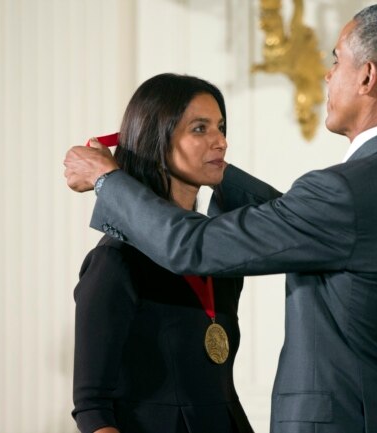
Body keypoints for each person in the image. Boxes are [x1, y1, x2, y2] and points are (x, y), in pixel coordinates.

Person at [64, 4, 377, 433]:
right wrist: (211, 170)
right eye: (199, 130)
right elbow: (306, 224)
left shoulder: (344, 194)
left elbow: (192, 247)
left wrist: (106, 179)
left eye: (336, 60)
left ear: (367, 76)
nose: (328, 75)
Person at [71, 73, 254, 433]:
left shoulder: (221, 251)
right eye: (199, 129)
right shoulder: (115, 260)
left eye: (220, 127)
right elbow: (92, 409)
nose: (221, 141)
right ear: (157, 141)